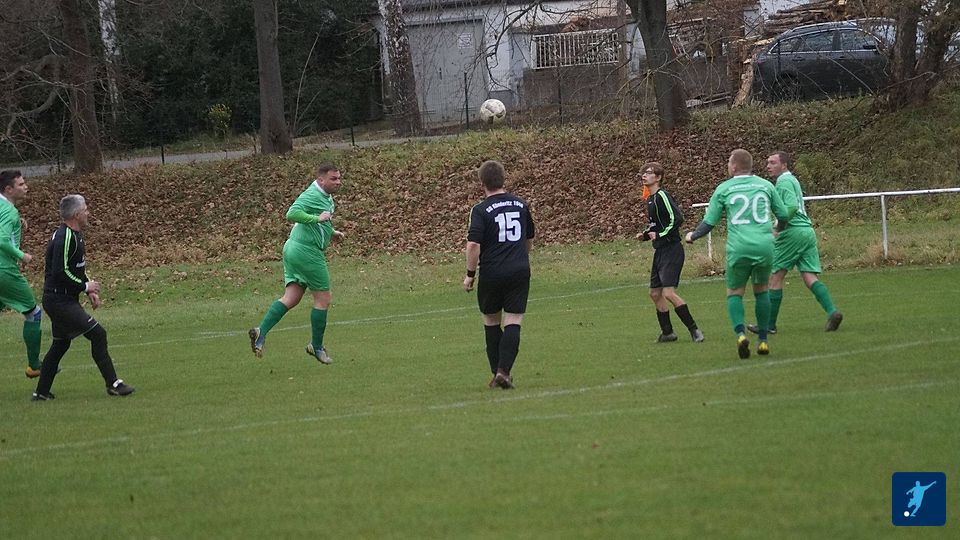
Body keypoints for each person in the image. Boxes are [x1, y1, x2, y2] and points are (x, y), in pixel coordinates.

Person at [685, 149, 796, 359]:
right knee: (762, 291)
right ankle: (763, 340)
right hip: (764, 246)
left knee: (734, 292)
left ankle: (741, 335)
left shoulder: (724, 188)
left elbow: (709, 222)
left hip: (739, 247)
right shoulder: (765, 185)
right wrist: (776, 230)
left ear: (734, 166)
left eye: (729, 162)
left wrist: (693, 235)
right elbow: (783, 215)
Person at [32, 195, 135, 400]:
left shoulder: (74, 234)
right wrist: (84, 286)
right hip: (58, 301)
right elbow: (60, 271)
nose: (88, 213)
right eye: (86, 209)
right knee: (98, 334)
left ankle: (41, 392)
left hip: (62, 299)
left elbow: (76, 268)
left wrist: (88, 290)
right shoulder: (65, 237)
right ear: (77, 214)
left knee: (61, 344)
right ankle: (113, 383)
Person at [249, 163, 345, 363]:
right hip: (306, 251)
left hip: (293, 248)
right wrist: (316, 219)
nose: (338, 182)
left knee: (291, 297)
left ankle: (261, 332)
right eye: (333, 179)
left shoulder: (324, 195)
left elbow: (320, 220)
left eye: (339, 178)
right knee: (323, 299)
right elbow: (292, 214)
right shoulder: (312, 194)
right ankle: (316, 347)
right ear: (321, 180)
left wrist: (331, 232)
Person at [746, 151, 842, 335]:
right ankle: (833, 311)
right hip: (807, 231)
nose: (768, 166)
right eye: (768, 162)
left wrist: (778, 227)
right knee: (809, 277)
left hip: (793, 233)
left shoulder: (783, 181)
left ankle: (768, 325)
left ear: (784, 165)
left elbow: (790, 207)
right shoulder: (792, 180)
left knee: (775, 277)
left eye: (773, 162)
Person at [463, 160, 535, 389]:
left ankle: (498, 373)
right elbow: (529, 239)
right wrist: (519, 257)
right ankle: (503, 372)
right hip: (519, 270)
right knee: (513, 320)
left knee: (491, 322)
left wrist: (470, 274)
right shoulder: (521, 205)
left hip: (492, 272)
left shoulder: (480, 210)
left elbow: (473, 245)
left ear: (482, 183)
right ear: (504, 179)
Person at [637, 162, 704, 343]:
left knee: (668, 293)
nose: (644, 175)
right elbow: (657, 224)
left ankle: (694, 330)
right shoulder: (650, 199)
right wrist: (646, 235)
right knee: (654, 293)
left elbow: (677, 218)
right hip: (660, 251)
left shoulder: (662, 196)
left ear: (658, 177)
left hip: (672, 250)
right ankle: (668, 333)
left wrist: (660, 234)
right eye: (643, 173)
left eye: (649, 173)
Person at [0, 170, 43, 378]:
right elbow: (1, 239)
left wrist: (18, 221)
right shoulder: (9, 212)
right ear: (9, 189)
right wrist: (21, 255)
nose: (26, 187)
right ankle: (34, 366)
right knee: (33, 313)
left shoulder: (5, 209)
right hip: (4, 271)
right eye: (21, 184)